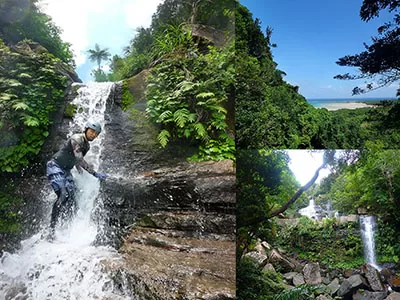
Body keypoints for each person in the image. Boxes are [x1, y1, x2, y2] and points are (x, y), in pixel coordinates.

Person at [45, 121, 107, 239]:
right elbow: (79, 159)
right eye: (92, 131)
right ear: (86, 129)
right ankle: (51, 230)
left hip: (66, 171)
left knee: (72, 198)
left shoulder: (87, 146)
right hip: (55, 166)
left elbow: (76, 160)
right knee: (63, 195)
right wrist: (94, 173)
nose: (94, 135)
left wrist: (80, 171)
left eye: (96, 134)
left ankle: (65, 228)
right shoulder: (76, 139)